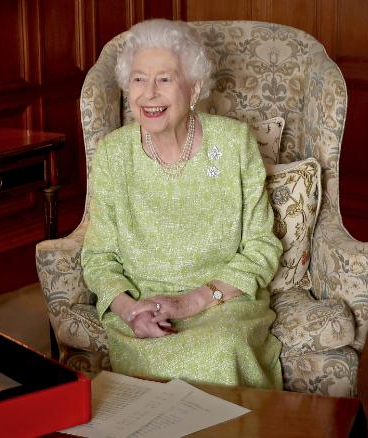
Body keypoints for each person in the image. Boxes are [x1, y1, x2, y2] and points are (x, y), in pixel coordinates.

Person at [81, 19, 283, 390]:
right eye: (139, 79)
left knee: (221, 350)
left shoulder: (234, 143)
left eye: (165, 79)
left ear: (193, 89)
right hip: (142, 309)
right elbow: (98, 256)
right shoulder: (113, 154)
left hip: (222, 303)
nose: (149, 94)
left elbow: (261, 246)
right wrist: (129, 311)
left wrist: (191, 303)